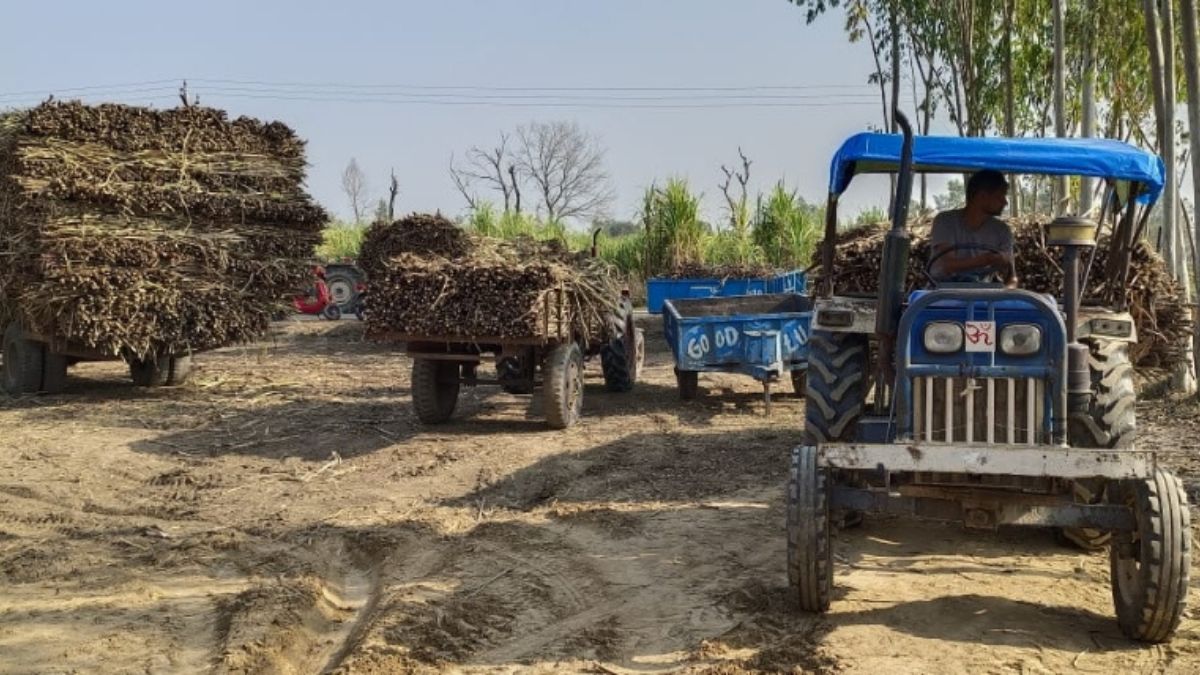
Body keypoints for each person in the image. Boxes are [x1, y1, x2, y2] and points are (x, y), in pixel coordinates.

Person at [929, 169, 1017, 287]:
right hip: (943, 291)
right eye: (1000, 196)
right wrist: (986, 260)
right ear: (982, 196)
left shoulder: (1002, 230)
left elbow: (1012, 278)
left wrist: (1007, 294)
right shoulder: (945, 221)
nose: (1005, 202)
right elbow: (948, 266)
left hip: (984, 294)